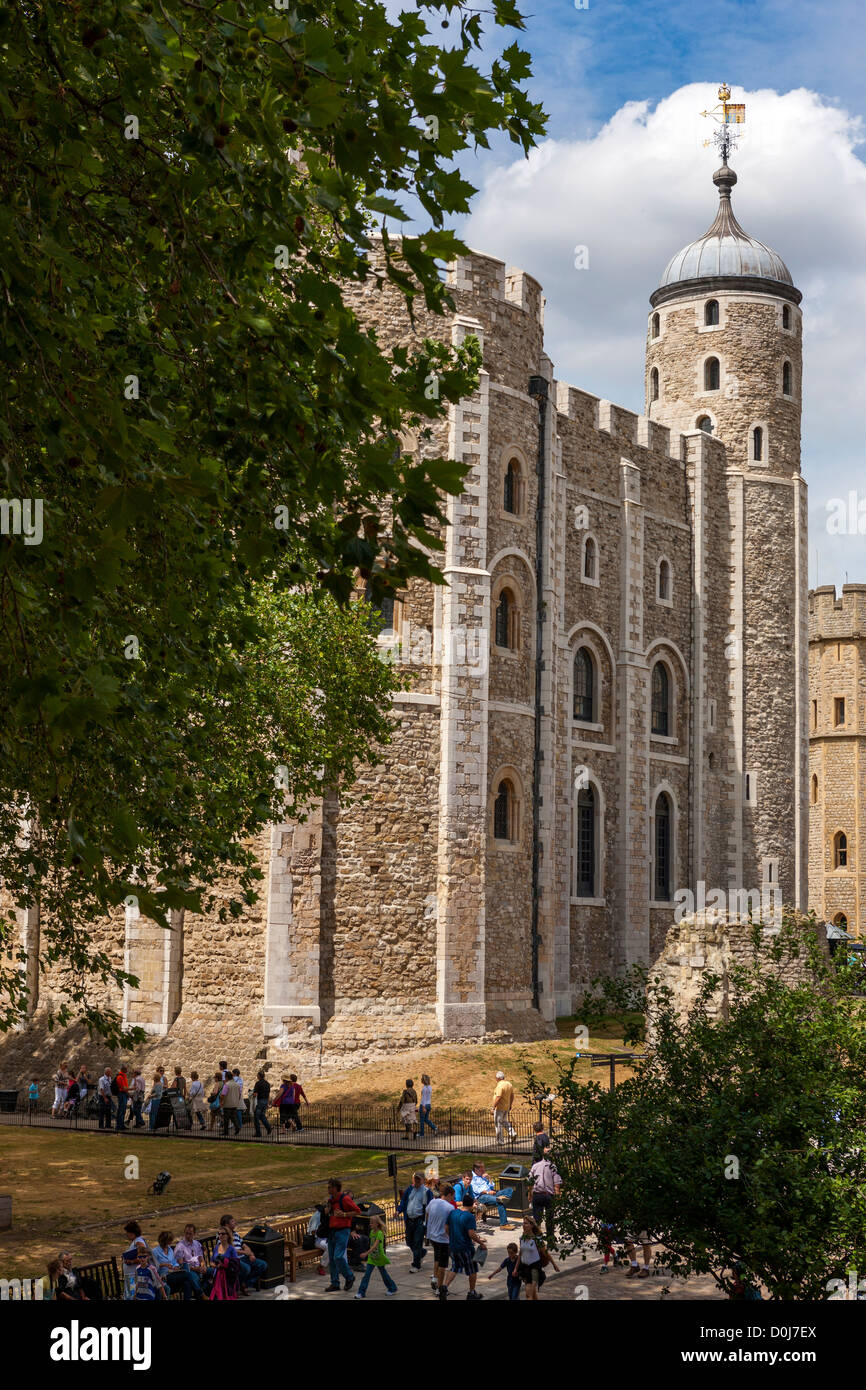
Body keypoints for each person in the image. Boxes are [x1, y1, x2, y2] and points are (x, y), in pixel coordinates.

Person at [442, 1192, 487, 1301]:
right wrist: (481, 1243)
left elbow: (446, 1228)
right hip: (465, 1248)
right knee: (472, 1270)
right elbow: (471, 1234)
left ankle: (444, 1287)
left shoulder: (453, 1213)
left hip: (453, 1246)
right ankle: (471, 1293)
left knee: (455, 1267)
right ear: (471, 1205)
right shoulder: (469, 1216)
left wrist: (452, 1238)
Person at [323, 1178, 361, 1292]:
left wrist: (344, 1214)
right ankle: (335, 1283)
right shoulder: (330, 1200)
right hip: (332, 1232)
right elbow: (329, 1214)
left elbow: (357, 1211)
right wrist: (327, 1210)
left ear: (335, 1188)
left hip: (342, 1231)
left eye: (330, 1187)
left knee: (338, 1256)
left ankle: (349, 1277)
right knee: (332, 1259)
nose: (328, 1189)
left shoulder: (344, 1199)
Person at [221, 1213, 266, 1294]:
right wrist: (245, 1252)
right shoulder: (222, 1235)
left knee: (262, 1265)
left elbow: (244, 1245)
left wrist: (251, 1254)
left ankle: (245, 1284)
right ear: (227, 1224)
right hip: (232, 1259)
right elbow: (228, 1249)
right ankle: (238, 1286)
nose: (235, 1223)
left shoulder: (236, 1234)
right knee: (246, 1268)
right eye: (232, 1221)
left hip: (243, 1257)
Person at [424, 1182, 456, 1297]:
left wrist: (430, 1226)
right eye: (453, 1196)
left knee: (436, 1258)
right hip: (443, 1239)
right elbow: (449, 1225)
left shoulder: (433, 1202)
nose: (453, 1198)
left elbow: (427, 1214)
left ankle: (434, 1277)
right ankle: (439, 1287)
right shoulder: (450, 1207)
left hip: (432, 1237)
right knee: (443, 1265)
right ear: (449, 1195)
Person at [354, 1215, 397, 1299]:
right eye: (370, 1222)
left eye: (372, 1223)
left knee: (384, 1274)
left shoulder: (380, 1233)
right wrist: (367, 1254)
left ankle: (392, 1288)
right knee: (366, 1275)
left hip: (379, 1257)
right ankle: (361, 1292)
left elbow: (374, 1246)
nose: (370, 1224)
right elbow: (370, 1245)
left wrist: (366, 1253)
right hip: (372, 1258)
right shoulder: (371, 1233)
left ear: (377, 1224)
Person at [396, 1170, 431, 1271]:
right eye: (415, 1179)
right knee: (409, 1241)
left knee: (417, 1242)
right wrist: (398, 1211)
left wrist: (427, 1222)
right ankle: (421, 1252)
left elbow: (429, 1207)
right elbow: (403, 1201)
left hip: (420, 1220)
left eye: (418, 1180)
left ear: (423, 1180)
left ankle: (416, 1265)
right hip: (409, 1220)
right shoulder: (410, 1189)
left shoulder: (426, 1192)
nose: (416, 1181)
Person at [518, 1215, 557, 1300]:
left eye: (526, 1223)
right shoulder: (522, 1238)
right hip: (525, 1268)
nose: (524, 1225)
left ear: (532, 1225)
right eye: (523, 1223)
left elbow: (546, 1253)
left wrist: (554, 1265)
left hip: (534, 1269)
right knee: (532, 1294)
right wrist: (515, 1268)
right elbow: (520, 1253)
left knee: (529, 1294)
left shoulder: (537, 1240)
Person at [469, 1161, 516, 1230]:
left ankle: (503, 1198)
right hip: (481, 1197)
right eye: (482, 1170)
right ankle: (504, 1224)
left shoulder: (482, 1176)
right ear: (476, 1170)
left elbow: (492, 1186)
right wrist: (488, 1192)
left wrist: (489, 1178)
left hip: (492, 1194)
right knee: (499, 1201)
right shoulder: (472, 1178)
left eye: (484, 1169)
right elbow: (477, 1190)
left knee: (509, 1190)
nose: (484, 1171)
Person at [528, 1149, 562, 1244]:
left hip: (537, 1195)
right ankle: (550, 1240)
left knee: (536, 1219)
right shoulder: (553, 1167)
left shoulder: (535, 1166)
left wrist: (530, 1194)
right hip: (548, 1195)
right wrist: (558, 1196)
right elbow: (557, 1184)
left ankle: (536, 1240)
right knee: (549, 1219)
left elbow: (529, 1181)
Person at [153, 1231, 199, 1299]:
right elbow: (153, 1268)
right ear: (165, 1241)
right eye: (170, 1241)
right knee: (188, 1275)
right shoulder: (155, 1251)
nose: (171, 1242)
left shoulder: (170, 1249)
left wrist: (176, 1266)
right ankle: (200, 1293)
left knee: (187, 1282)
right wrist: (163, 1265)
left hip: (173, 1273)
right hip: (164, 1277)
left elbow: (174, 1262)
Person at [209, 1227, 241, 1301]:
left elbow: (236, 1264)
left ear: (227, 1235)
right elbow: (211, 1262)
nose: (220, 1235)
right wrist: (216, 1265)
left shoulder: (231, 1249)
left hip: (228, 1278)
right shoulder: (216, 1248)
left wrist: (224, 1264)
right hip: (217, 1277)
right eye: (219, 1234)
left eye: (223, 1234)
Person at [175, 1223, 207, 1288]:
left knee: (213, 1272)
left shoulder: (197, 1243)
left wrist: (203, 1266)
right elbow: (181, 1265)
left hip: (199, 1268)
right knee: (193, 1278)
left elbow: (201, 1258)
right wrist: (195, 1269)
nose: (188, 1236)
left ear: (194, 1234)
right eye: (186, 1233)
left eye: (190, 1234)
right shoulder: (180, 1246)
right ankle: (201, 1295)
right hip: (189, 1270)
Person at [492, 1070, 516, 1144]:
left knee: (498, 1124)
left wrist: (493, 1107)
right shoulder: (509, 1084)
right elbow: (512, 1096)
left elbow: (498, 1097)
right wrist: (510, 1105)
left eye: (496, 1078)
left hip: (499, 1108)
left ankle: (500, 1141)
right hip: (506, 1107)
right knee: (505, 1122)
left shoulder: (500, 1085)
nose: (495, 1079)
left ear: (498, 1078)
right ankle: (512, 1133)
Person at [219, 1071, 242, 1136]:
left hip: (227, 1104)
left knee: (226, 1119)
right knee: (234, 1118)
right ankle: (237, 1128)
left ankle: (226, 1132)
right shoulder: (237, 1085)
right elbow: (239, 1094)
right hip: (234, 1104)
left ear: (226, 1077)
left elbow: (223, 1094)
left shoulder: (227, 1085)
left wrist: (221, 1102)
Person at [252, 1069, 272, 1137]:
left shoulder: (258, 1083)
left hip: (260, 1101)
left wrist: (252, 1094)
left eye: (257, 1075)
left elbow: (255, 1094)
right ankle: (268, 1127)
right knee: (262, 1115)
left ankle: (258, 1133)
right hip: (265, 1100)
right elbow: (268, 1094)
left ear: (259, 1076)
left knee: (256, 1117)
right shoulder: (267, 1084)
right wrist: (268, 1103)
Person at [114, 1065, 129, 1132]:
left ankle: (121, 1125)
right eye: (126, 1069)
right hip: (121, 1094)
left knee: (123, 1110)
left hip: (124, 1094)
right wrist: (132, 1088)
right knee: (121, 1110)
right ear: (123, 1070)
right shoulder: (120, 1077)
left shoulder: (124, 1076)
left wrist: (128, 1093)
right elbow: (123, 1087)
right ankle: (118, 1126)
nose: (127, 1071)